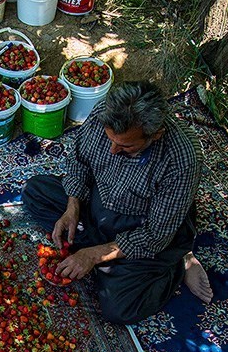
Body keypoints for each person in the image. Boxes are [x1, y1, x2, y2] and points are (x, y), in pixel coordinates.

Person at [22, 80, 213, 325]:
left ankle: (179, 262)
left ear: (155, 135)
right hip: (99, 204)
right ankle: (104, 250)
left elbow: (155, 234)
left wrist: (92, 256)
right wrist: (72, 208)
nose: (112, 150)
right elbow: (79, 162)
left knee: (120, 309)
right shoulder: (106, 113)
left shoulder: (181, 158)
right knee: (34, 191)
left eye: (125, 146)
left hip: (142, 226)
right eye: (109, 139)